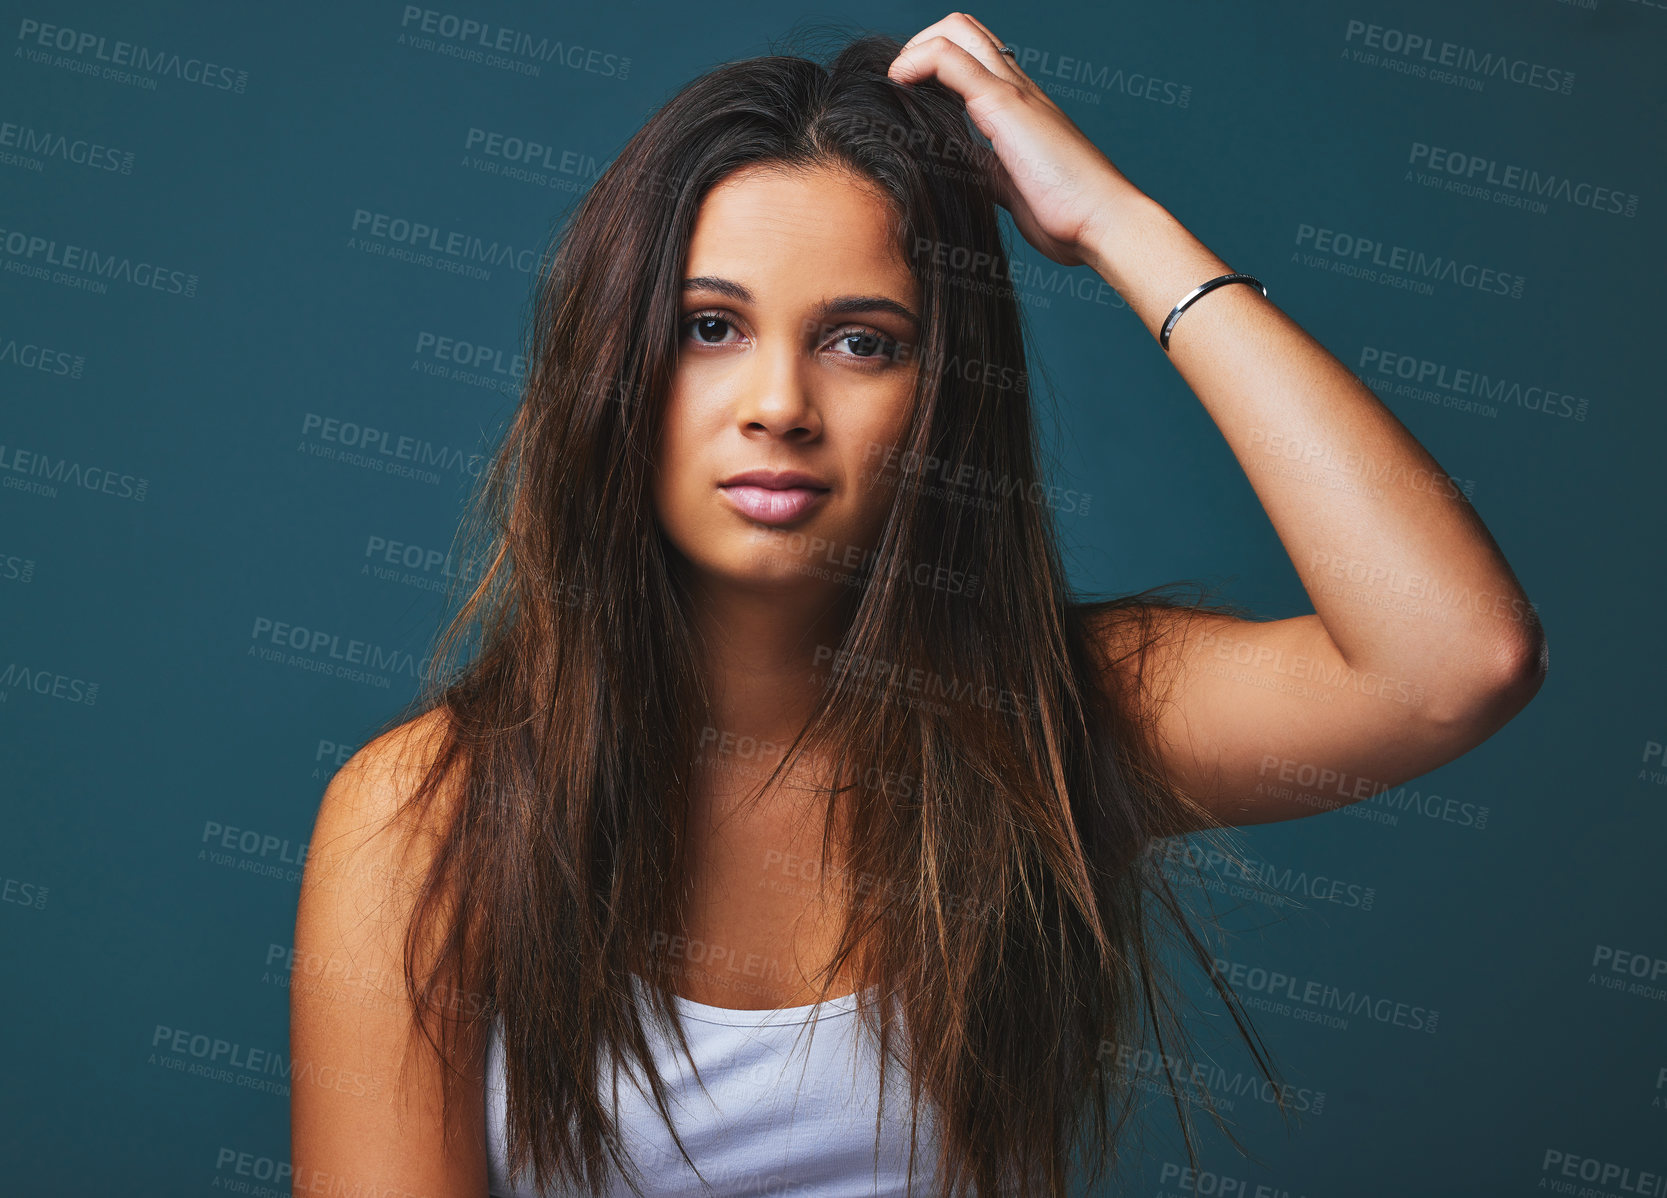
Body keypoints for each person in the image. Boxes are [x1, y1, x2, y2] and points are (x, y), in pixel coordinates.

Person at [289, 15, 1546, 1198]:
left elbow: (1455, 660)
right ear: (615, 368)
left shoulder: (1048, 721)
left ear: (942, 397)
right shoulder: (426, 818)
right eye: (710, 326)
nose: (778, 402)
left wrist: (1117, 223)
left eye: (861, 342)